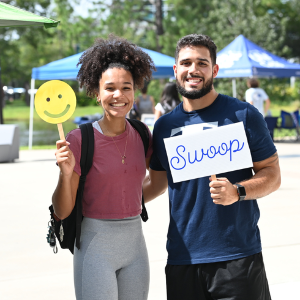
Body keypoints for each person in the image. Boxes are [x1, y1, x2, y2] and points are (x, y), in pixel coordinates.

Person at [143, 34, 281, 300]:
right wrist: (108, 200)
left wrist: (237, 191)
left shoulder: (243, 115)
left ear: (214, 70)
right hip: (183, 258)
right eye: (185, 63)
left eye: (202, 63)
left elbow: (272, 175)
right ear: (176, 70)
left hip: (237, 256)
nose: (193, 70)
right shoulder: (163, 127)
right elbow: (156, 184)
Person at [52, 34, 155, 300]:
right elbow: (63, 210)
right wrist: (65, 176)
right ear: (96, 93)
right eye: (110, 88)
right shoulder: (79, 139)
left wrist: (133, 197)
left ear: (135, 90)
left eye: (126, 87)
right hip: (95, 248)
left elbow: (158, 179)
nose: (118, 95)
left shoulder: (143, 133)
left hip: (135, 246)